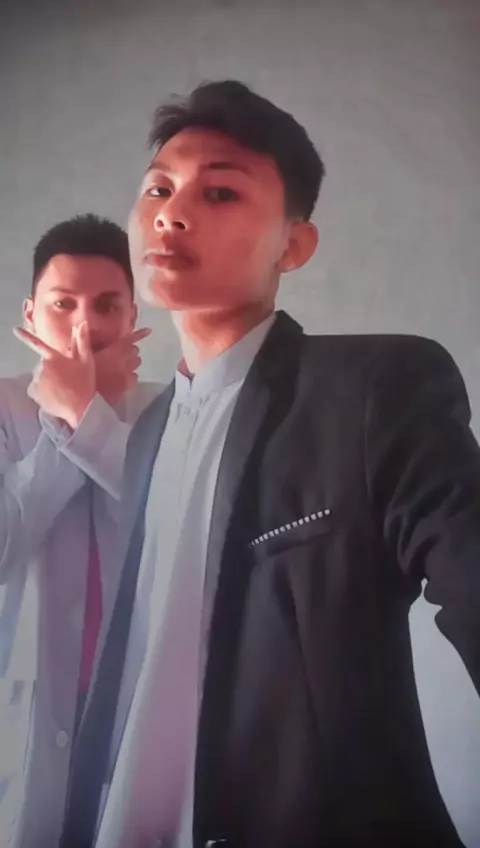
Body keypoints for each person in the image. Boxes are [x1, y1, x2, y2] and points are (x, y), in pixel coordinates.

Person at [62, 83, 480, 848]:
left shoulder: (374, 390)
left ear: (294, 244)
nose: (171, 213)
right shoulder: (148, 431)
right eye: (158, 188)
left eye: (220, 192)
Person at [0, 214, 162, 848]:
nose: (84, 326)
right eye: (63, 303)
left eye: (106, 305)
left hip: (136, 696)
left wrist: (93, 412)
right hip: (23, 700)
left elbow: (176, 527)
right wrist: (70, 421)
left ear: (133, 314)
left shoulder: (169, 410)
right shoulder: (3, 407)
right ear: (30, 313)